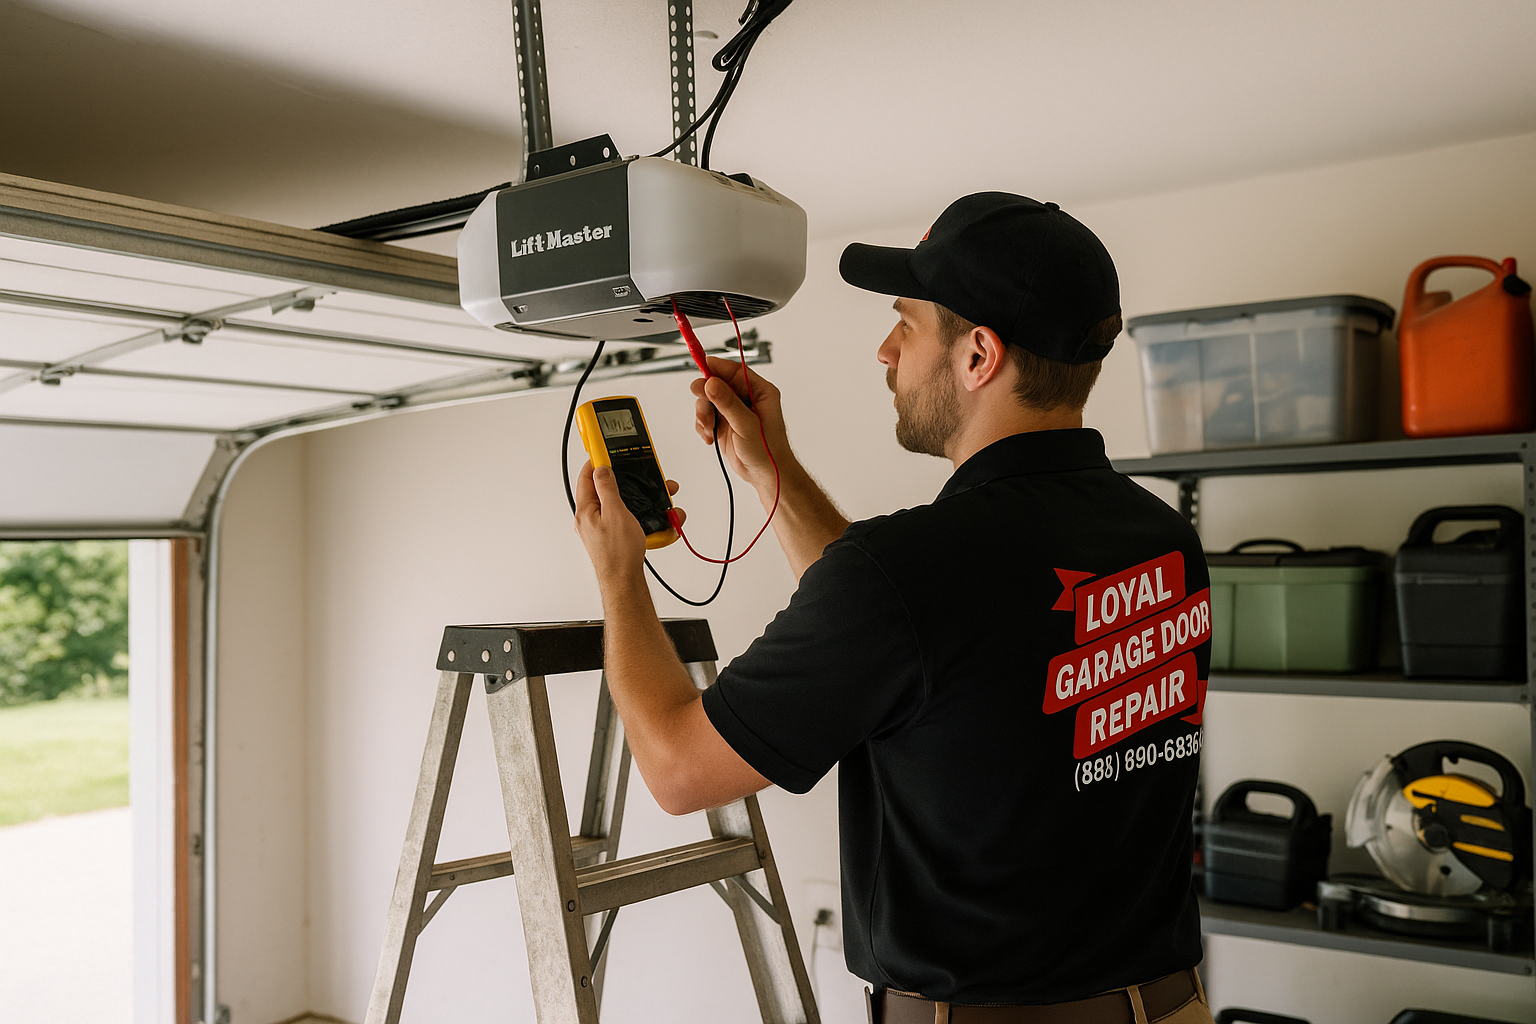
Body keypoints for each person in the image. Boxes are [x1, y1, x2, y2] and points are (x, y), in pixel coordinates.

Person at [572, 192, 1214, 1023]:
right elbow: (913, 630)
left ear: (979, 353)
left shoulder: (911, 570)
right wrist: (772, 469)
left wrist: (618, 575)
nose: (886, 349)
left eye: (906, 323)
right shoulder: (1160, 536)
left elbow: (677, 768)